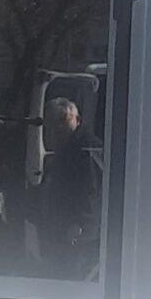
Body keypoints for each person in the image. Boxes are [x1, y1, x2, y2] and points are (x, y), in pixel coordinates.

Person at [32, 97, 105, 279]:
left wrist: (81, 224)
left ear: (77, 120)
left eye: (62, 120)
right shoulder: (65, 148)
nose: (57, 128)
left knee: (73, 278)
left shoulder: (86, 149)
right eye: (52, 123)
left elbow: (91, 190)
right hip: (60, 229)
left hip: (79, 234)